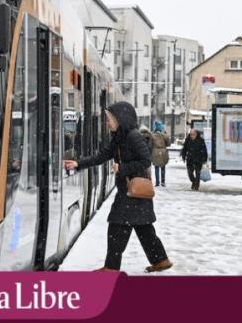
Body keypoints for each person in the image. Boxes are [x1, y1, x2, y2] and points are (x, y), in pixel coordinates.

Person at [64, 101, 173, 273]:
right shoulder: (120, 137)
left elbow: (145, 160)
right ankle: (161, 260)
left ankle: (111, 267)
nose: (107, 123)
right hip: (130, 192)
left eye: (110, 119)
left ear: (121, 119)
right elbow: (102, 156)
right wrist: (78, 163)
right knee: (144, 229)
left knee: (117, 226)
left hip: (133, 192)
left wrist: (122, 168)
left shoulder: (133, 136)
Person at [150, 121, 170, 187]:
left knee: (156, 167)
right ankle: (163, 182)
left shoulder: (152, 135)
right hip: (163, 151)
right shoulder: (165, 135)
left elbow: (150, 144)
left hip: (155, 151)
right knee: (163, 167)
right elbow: (168, 144)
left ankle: (157, 182)